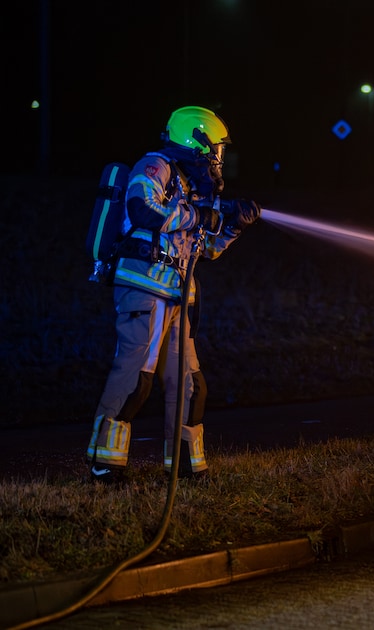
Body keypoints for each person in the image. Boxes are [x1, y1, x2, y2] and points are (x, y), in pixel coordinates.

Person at [86, 106, 261, 483]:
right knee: (135, 379)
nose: (219, 159)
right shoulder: (155, 166)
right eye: (217, 148)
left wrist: (232, 226)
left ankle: (186, 469)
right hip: (144, 288)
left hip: (178, 296)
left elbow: (208, 250)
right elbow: (142, 209)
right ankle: (105, 464)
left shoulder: (190, 187)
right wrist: (202, 216)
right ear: (197, 141)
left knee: (191, 386)